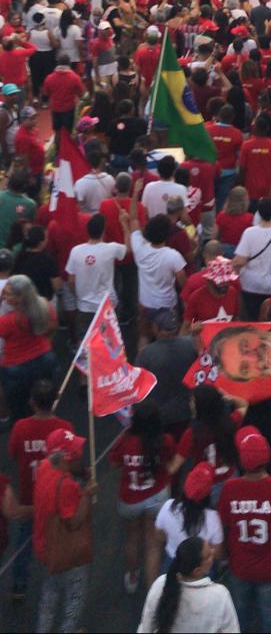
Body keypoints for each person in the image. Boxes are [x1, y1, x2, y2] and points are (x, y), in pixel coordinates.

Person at [218, 426, 271, 633]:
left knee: (240, 618)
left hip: (239, 568)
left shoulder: (230, 488)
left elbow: (223, 526)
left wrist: (223, 557)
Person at [7, 377, 75, 601]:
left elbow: (14, 454)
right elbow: (73, 461)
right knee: (58, 537)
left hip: (30, 497)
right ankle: (59, 578)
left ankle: (19, 584)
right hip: (56, 496)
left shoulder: (20, 427)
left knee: (24, 540)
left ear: (31, 402)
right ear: (56, 399)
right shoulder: (65, 429)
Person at [111, 398, 177, 592]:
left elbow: (114, 463)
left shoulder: (125, 440)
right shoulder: (164, 440)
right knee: (153, 545)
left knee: (132, 538)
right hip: (157, 497)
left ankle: (132, 576)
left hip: (130, 498)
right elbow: (169, 460)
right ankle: (152, 590)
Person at [33, 428, 95, 634]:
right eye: (76, 454)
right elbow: (74, 522)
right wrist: (87, 494)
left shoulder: (43, 467)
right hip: (67, 555)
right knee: (74, 599)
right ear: (66, 459)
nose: (80, 456)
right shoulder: (67, 486)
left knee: (48, 599)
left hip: (44, 548)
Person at [138, 535, 240, 633]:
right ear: (197, 570)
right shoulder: (220, 595)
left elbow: (146, 626)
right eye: (208, 556)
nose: (213, 551)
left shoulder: (160, 584)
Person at [129, 183, 187, 345]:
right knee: (169, 343)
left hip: (145, 304)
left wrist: (135, 193)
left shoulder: (139, 248)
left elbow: (133, 218)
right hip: (167, 305)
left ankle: (141, 366)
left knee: (144, 337)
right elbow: (184, 283)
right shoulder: (173, 256)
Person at [0, 273, 58, 420]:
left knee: (19, 408)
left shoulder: (8, 321)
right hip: (45, 359)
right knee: (43, 399)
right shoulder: (45, 306)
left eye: (7, 294)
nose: (4, 296)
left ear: (20, 298)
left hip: (16, 368)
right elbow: (52, 326)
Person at [136, 308, 199, 435]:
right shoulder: (191, 345)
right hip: (186, 413)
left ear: (155, 328)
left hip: (159, 417)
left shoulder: (145, 354)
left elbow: (138, 386)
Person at [65, 211, 128, 336]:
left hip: (84, 306)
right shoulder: (111, 248)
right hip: (107, 305)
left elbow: (71, 280)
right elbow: (129, 248)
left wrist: (79, 295)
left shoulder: (75, 251)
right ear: (103, 231)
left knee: (85, 341)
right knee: (109, 340)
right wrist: (124, 224)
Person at [154, 461, 224, 571]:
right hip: (201, 568)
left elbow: (158, 535)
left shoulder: (168, 506)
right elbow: (218, 553)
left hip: (173, 562)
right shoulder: (213, 518)